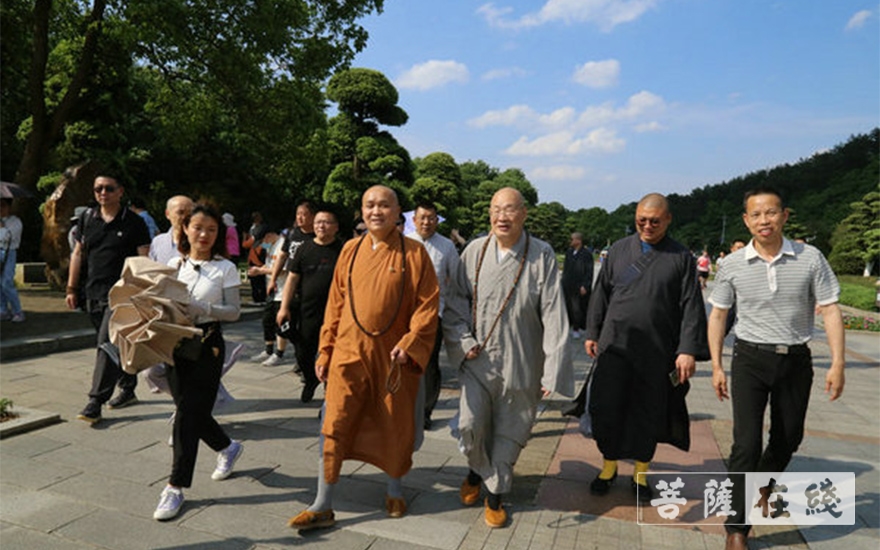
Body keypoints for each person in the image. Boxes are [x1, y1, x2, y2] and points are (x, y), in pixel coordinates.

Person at [287, 185, 439, 530]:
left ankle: (394, 489)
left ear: (398, 211)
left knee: (394, 423)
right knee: (334, 423)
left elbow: (428, 305)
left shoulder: (415, 254)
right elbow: (336, 304)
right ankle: (323, 502)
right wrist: (325, 349)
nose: (376, 211)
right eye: (369, 204)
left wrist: (412, 341)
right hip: (348, 352)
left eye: (384, 205)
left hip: (392, 357)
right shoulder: (351, 250)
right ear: (361, 210)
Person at [707, 187, 845, 550]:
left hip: (796, 361)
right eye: (756, 214)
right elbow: (718, 315)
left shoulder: (810, 258)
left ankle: (763, 486)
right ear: (746, 220)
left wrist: (838, 362)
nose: (763, 220)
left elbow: (830, 309)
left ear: (785, 215)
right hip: (750, 359)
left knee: (788, 438)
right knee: (745, 445)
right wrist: (717, 366)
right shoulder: (732, 264)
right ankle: (737, 528)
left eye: (771, 213)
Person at [443, 187, 574, 529]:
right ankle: (478, 469)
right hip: (478, 357)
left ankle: (495, 496)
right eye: (496, 209)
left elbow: (554, 314)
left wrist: (552, 371)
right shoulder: (475, 250)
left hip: (523, 358)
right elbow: (455, 302)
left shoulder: (541, 254)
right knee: (471, 425)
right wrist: (463, 340)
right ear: (489, 214)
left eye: (510, 209)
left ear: (524, 214)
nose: (502, 216)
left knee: (510, 429)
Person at [585, 193, 708, 503]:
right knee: (608, 406)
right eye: (642, 220)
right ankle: (608, 466)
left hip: (657, 349)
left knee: (647, 411)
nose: (648, 226)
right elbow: (601, 294)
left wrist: (687, 349)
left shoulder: (680, 256)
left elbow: (691, 305)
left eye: (655, 221)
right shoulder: (617, 250)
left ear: (668, 220)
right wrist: (592, 331)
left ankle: (641, 472)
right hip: (614, 344)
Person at [152, 203, 244, 521]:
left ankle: (175, 487)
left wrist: (203, 306)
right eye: (197, 227)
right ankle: (228, 447)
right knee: (192, 411)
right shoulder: (173, 264)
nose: (203, 234)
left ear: (219, 234)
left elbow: (234, 312)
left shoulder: (226, 268)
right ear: (185, 229)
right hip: (174, 344)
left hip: (207, 345)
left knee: (187, 414)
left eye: (211, 229)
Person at [67, 174, 151, 424]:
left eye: (108, 188)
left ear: (120, 191)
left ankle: (96, 401)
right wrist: (71, 288)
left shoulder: (134, 222)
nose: (103, 193)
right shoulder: (86, 218)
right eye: (98, 189)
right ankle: (128, 388)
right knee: (112, 345)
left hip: (122, 295)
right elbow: (78, 254)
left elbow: (142, 260)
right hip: (92, 292)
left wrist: (141, 293)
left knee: (106, 343)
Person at [277, 205, 343, 402]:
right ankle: (311, 378)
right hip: (308, 310)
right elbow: (292, 279)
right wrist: (284, 307)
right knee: (303, 352)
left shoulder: (344, 249)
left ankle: (329, 395)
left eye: (326, 222)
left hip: (337, 311)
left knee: (333, 353)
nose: (321, 226)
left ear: (336, 227)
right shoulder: (304, 248)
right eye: (318, 222)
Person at [406, 202, 461, 429]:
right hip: (403, 315)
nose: (426, 222)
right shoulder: (404, 242)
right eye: (422, 218)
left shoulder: (447, 246)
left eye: (431, 218)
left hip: (433, 314)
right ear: (414, 220)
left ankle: (426, 411)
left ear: (437, 221)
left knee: (429, 365)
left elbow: (456, 281)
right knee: (402, 361)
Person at [264, 200, 316, 370]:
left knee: (306, 327)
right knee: (286, 324)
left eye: (304, 214)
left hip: (310, 287)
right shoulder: (293, 234)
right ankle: (297, 353)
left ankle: (303, 360)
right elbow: (282, 256)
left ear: (313, 216)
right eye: (298, 214)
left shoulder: (317, 235)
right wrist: (273, 279)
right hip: (290, 287)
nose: (300, 217)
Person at [247, 229, 289, 366]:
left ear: (268, 235)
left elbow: (282, 270)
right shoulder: (269, 245)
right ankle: (268, 350)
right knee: (267, 320)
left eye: (263, 241)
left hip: (283, 290)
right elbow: (269, 264)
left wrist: (260, 271)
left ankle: (279, 353)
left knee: (280, 323)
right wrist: (259, 269)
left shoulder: (283, 245)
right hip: (272, 290)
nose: (262, 244)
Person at [561, 232, 593, 339]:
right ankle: (567, 326)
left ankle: (576, 328)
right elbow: (565, 269)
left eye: (572, 239)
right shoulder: (569, 252)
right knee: (566, 306)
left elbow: (589, 271)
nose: (570, 241)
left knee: (577, 308)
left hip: (579, 286)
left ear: (578, 241)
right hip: (567, 284)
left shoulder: (586, 254)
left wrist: (586, 285)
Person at [149, 196, 194, 265]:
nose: (185, 217)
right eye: (180, 212)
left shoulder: (199, 242)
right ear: (167, 214)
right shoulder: (158, 242)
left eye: (190, 214)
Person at [0, 198, 25, 322]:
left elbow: (8, 238)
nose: (0, 209)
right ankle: (2, 310)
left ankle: (17, 311)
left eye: (3, 206)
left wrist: (2, 227)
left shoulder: (15, 221)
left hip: (9, 252)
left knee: (7, 282)